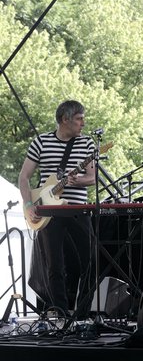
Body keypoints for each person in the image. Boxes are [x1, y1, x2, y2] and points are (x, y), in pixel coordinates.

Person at [19, 100, 96, 318]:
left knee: (90, 261)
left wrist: (76, 181)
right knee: (54, 265)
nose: (83, 123)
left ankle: (81, 313)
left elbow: (92, 178)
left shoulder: (87, 144)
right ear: (65, 119)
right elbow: (24, 178)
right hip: (48, 211)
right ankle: (61, 312)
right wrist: (28, 204)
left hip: (78, 209)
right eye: (79, 118)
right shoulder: (41, 142)